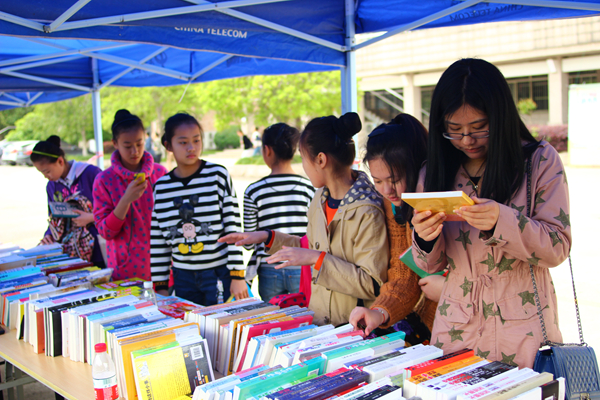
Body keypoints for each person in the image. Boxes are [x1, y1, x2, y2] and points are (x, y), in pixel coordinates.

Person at [412, 58, 571, 368]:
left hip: (524, 329)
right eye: (454, 130)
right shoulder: (432, 173)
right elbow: (429, 265)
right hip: (456, 328)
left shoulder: (539, 161)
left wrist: (503, 220)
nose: (467, 140)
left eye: (479, 128)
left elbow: (557, 247)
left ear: (501, 118)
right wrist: (424, 238)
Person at [220, 112, 389, 326]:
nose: (303, 167)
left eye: (303, 158)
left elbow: (372, 284)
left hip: (353, 329)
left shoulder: (367, 210)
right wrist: (266, 237)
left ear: (321, 160)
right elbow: (308, 248)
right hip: (322, 324)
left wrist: (317, 259)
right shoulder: (319, 198)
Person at [349, 114, 443, 342]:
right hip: (431, 331)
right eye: (378, 181)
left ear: (416, 167)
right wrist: (379, 312)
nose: (387, 190)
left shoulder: (442, 197)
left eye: (394, 179)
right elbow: (403, 275)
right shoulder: (393, 206)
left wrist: (451, 290)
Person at [150, 113, 248, 305]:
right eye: (183, 142)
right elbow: (158, 240)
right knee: (190, 321)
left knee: (222, 322)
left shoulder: (217, 176)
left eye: (196, 140)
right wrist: (160, 285)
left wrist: (237, 275)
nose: (191, 147)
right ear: (168, 145)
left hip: (218, 274)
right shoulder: (161, 188)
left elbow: (233, 226)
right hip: (183, 277)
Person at [243, 123, 316, 302]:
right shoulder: (309, 188)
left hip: (269, 268)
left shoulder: (253, 191)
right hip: (301, 266)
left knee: (273, 316)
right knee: (304, 315)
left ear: (267, 150)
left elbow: (249, 243)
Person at [93, 109, 168, 281]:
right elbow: (105, 231)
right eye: (127, 146)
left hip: (164, 267)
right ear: (115, 143)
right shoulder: (104, 180)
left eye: (139, 144)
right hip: (126, 272)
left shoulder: (160, 173)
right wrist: (126, 200)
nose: (134, 151)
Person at [31, 135, 105, 268]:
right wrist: (49, 235)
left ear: (60, 161)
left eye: (47, 171)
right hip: (71, 253)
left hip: (99, 247)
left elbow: (114, 209)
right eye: (42, 173)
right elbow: (54, 218)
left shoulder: (91, 174)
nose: (46, 176)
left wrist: (91, 217)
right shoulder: (52, 186)